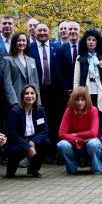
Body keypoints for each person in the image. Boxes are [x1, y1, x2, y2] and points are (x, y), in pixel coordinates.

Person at [29, 22, 62, 157]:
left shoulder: (57, 48)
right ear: (34, 33)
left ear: (49, 32)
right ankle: (40, 151)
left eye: (45, 30)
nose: (42, 33)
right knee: (39, 119)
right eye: (39, 31)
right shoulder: (29, 48)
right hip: (37, 90)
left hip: (55, 92)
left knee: (54, 120)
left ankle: (53, 151)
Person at [4, 85, 49, 178]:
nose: (29, 96)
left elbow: (44, 130)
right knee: (15, 150)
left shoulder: (40, 110)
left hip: (33, 139)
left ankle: (33, 169)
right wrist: (28, 147)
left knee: (46, 143)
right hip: (18, 140)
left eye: (32, 93)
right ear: (22, 96)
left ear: (36, 96)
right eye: (26, 93)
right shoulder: (15, 111)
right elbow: (12, 133)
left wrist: (34, 141)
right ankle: (11, 171)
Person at [56, 86, 102, 175]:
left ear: (87, 100)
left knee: (93, 143)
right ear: (73, 100)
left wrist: (75, 135)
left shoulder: (93, 110)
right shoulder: (69, 110)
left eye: (83, 100)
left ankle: (96, 169)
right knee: (62, 144)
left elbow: (93, 133)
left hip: (90, 143)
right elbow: (61, 134)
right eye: (77, 100)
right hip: (74, 144)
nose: (80, 102)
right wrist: (79, 139)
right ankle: (72, 168)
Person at [73, 29, 102, 109]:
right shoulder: (80, 58)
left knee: (100, 113)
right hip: (85, 92)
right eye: (89, 40)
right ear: (85, 42)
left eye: (94, 40)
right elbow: (76, 80)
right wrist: (76, 96)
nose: (91, 42)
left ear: (97, 42)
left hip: (101, 92)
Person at [3, 32, 40, 107]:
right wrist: (13, 102)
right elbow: (7, 83)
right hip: (17, 99)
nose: (21, 43)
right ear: (14, 42)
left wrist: (38, 101)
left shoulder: (31, 60)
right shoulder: (8, 60)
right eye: (19, 40)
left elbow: (35, 82)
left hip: (31, 99)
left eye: (24, 40)